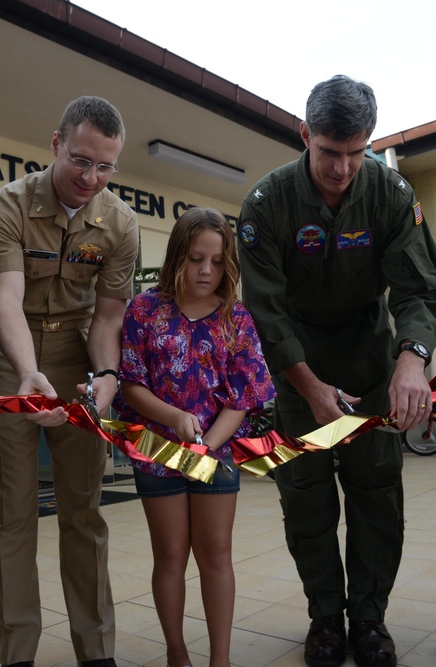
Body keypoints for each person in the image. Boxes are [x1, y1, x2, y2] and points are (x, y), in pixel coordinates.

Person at [237, 75, 436, 667]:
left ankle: (371, 621)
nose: (342, 168)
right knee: (305, 493)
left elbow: (420, 289)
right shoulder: (266, 202)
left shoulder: (389, 192)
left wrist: (412, 360)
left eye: (356, 152)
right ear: (305, 135)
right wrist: (307, 386)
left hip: (370, 350)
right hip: (295, 354)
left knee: (376, 489)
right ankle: (325, 618)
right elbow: (264, 310)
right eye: (330, 152)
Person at [0, 95, 138, 667]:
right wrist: (26, 374)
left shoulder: (120, 223)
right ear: (55, 144)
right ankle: (18, 653)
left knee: (84, 511)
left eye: (105, 166)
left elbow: (109, 318)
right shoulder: (8, 206)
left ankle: (96, 651)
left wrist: (106, 377)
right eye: (80, 160)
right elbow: (7, 302)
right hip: (10, 360)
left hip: (79, 359)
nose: (91, 177)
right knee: (10, 515)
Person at [115, 207, 275, 667]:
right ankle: (177, 654)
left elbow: (245, 395)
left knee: (216, 556)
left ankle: (219, 660)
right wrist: (174, 417)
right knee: (169, 556)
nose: (206, 270)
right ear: (176, 256)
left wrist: (208, 446)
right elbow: (131, 383)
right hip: (157, 453)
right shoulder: (144, 309)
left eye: (218, 261)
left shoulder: (236, 317)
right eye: (195, 258)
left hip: (216, 456)